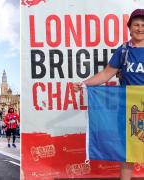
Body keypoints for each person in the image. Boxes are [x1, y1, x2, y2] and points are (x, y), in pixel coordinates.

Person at [73, 9, 144, 180]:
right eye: (136, 25)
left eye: (143, 25)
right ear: (129, 27)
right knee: (129, 152)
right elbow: (106, 74)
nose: (140, 28)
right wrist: (83, 84)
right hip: (130, 111)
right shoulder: (124, 50)